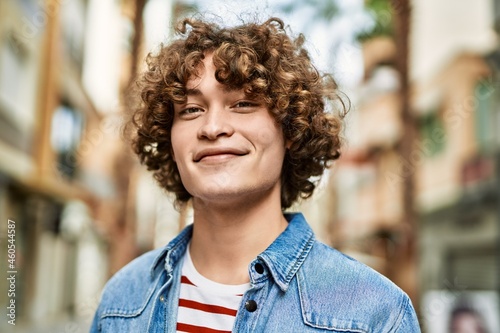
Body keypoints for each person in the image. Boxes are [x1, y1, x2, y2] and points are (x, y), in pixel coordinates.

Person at [91, 16, 420, 332]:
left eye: (243, 104)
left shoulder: (374, 313)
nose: (213, 127)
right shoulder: (123, 299)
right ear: (169, 138)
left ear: (290, 130)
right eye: (191, 109)